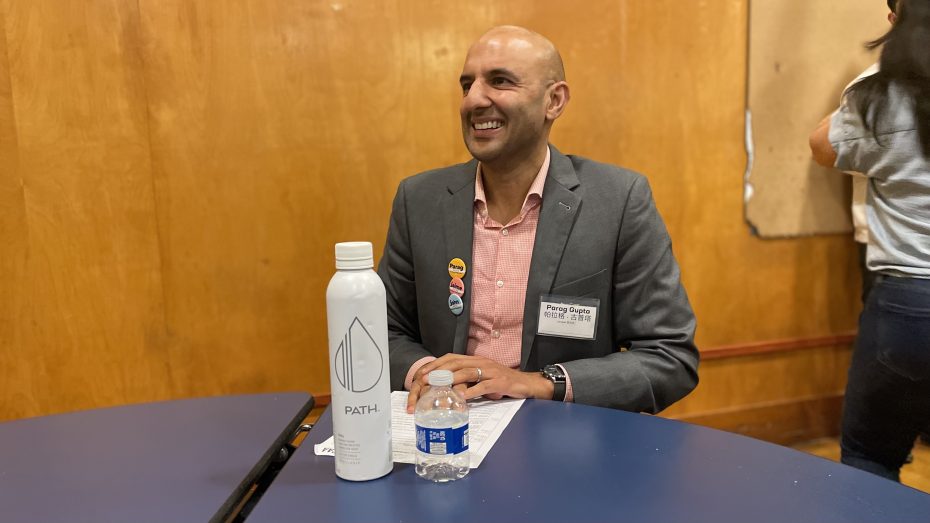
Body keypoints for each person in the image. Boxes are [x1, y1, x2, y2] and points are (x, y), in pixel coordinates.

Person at [377, 26, 698, 414]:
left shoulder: (617, 201)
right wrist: (432, 375)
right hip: (446, 429)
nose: (474, 100)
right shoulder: (419, 200)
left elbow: (669, 356)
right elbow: (385, 332)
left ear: (554, 101)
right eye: (467, 85)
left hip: (562, 436)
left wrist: (539, 383)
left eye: (499, 81)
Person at [809, 0, 930, 482]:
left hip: (907, 303)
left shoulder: (881, 96)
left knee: (870, 458)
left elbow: (822, 144)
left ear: (898, 23)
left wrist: (894, 64)